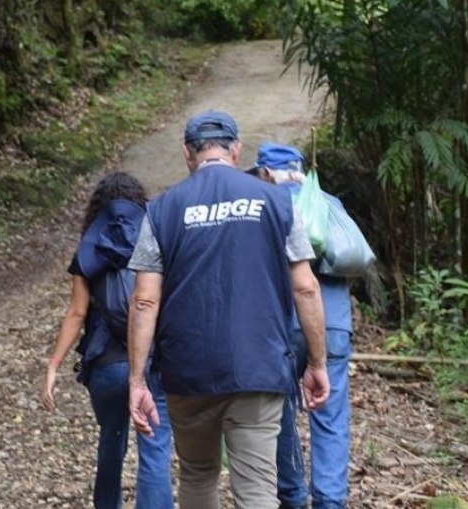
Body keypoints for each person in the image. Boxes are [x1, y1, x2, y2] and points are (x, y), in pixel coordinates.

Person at [126, 110, 330, 509]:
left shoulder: (162, 209)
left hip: (187, 370)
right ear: (236, 151)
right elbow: (306, 287)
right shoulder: (277, 202)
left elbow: (145, 300)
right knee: (257, 490)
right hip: (258, 365)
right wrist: (317, 363)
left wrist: (137, 381)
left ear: (187, 153)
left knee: (198, 474)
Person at [41, 172, 173, 509]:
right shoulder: (156, 239)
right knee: (155, 448)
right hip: (153, 361)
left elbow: (76, 313)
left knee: (111, 444)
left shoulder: (89, 248)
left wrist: (54, 365)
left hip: (107, 365)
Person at [251, 143, 354, 509]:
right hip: (333, 324)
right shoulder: (329, 203)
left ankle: (292, 494)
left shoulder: (261, 207)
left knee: (278, 410)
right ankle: (330, 500)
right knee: (330, 413)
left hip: (279, 326)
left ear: (266, 173)